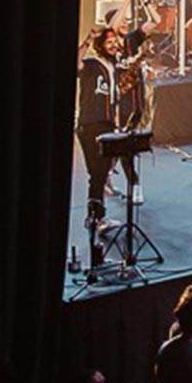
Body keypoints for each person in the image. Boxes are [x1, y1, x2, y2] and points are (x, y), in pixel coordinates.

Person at [76, 25, 137, 233]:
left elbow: (114, 101)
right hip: (91, 125)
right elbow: (75, 64)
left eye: (114, 42)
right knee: (98, 173)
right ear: (100, 46)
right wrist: (86, 40)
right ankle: (96, 219)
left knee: (98, 174)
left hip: (107, 124)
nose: (113, 45)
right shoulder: (92, 64)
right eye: (109, 42)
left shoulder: (113, 67)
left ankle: (95, 218)